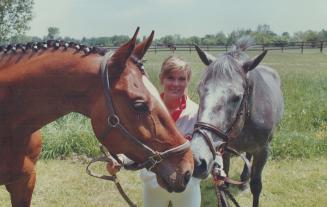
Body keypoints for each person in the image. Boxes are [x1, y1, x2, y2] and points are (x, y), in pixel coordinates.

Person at [106, 56, 201, 207]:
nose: (176, 84)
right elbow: (139, 144)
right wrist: (120, 159)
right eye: (170, 78)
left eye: (182, 79)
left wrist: (218, 167)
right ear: (162, 79)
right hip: (153, 185)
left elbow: (209, 147)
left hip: (187, 186)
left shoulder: (197, 113)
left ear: (187, 81)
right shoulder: (147, 111)